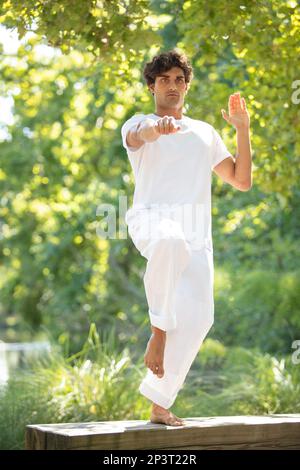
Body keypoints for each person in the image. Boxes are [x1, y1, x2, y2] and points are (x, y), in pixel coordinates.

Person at [121, 49, 252, 426]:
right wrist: (155, 130)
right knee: (169, 241)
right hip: (151, 222)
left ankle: (159, 403)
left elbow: (241, 180)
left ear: (187, 85)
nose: (173, 85)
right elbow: (136, 136)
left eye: (179, 79)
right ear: (152, 86)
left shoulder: (204, 132)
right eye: (164, 79)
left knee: (199, 318)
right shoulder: (139, 122)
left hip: (197, 235)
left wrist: (242, 128)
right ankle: (157, 333)